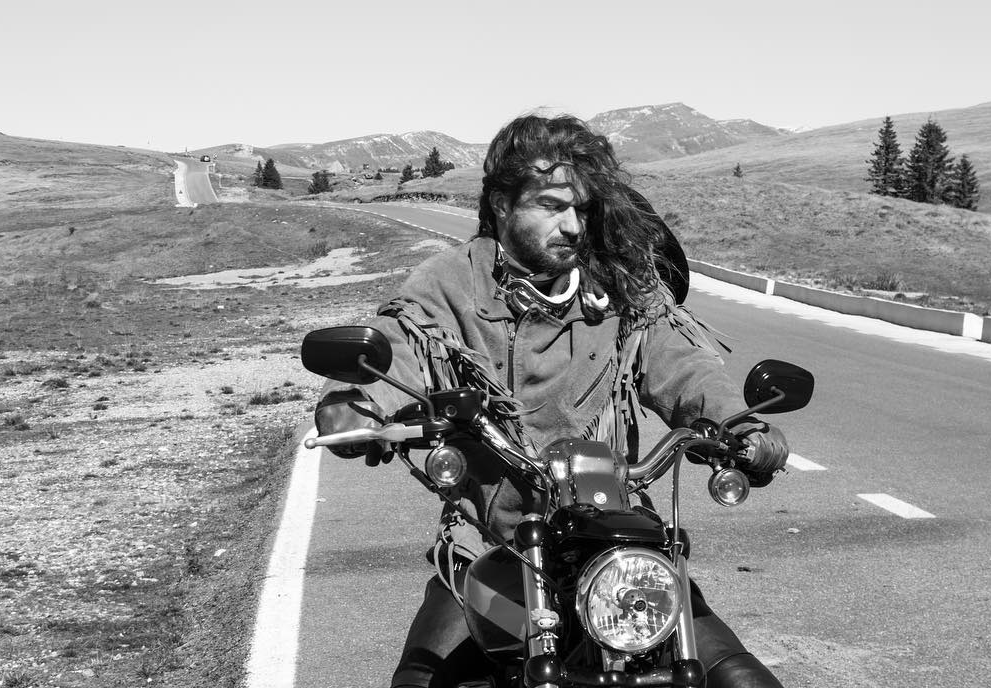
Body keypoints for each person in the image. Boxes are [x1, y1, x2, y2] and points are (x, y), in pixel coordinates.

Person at [314, 113, 789, 688]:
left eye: (582, 209)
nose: (572, 225)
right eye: (550, 205)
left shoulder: (618, 285)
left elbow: (684, 365)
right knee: (421, 681)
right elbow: (397, 348)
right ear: (501, 205)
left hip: (610, 543)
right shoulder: (448, 285)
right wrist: (356, 405)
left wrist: (738, 427)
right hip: (492, 546)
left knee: (738, 677)